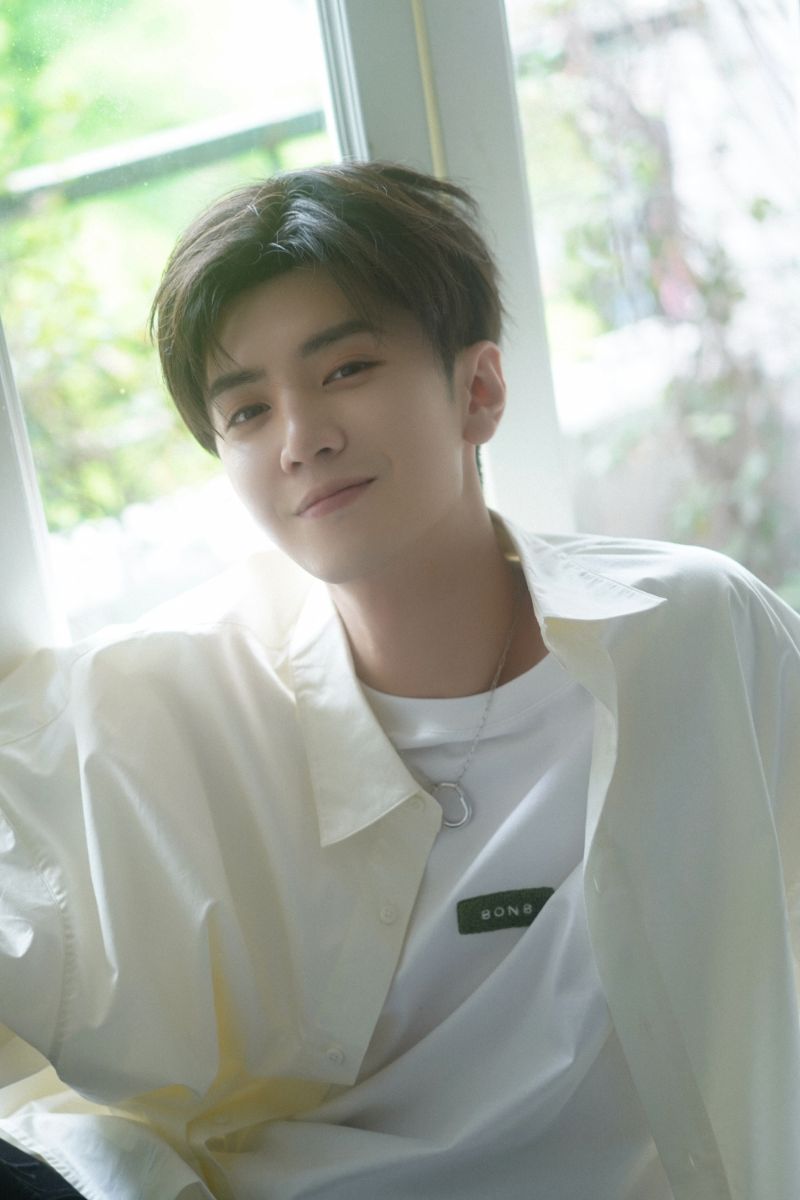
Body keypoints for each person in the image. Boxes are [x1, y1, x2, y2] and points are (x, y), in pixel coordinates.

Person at [0, 160, 798, 1200]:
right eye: (246, 412)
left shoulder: (687, 632)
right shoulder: (156, 703)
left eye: (345, 370)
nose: (303, 440)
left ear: (479, 390)